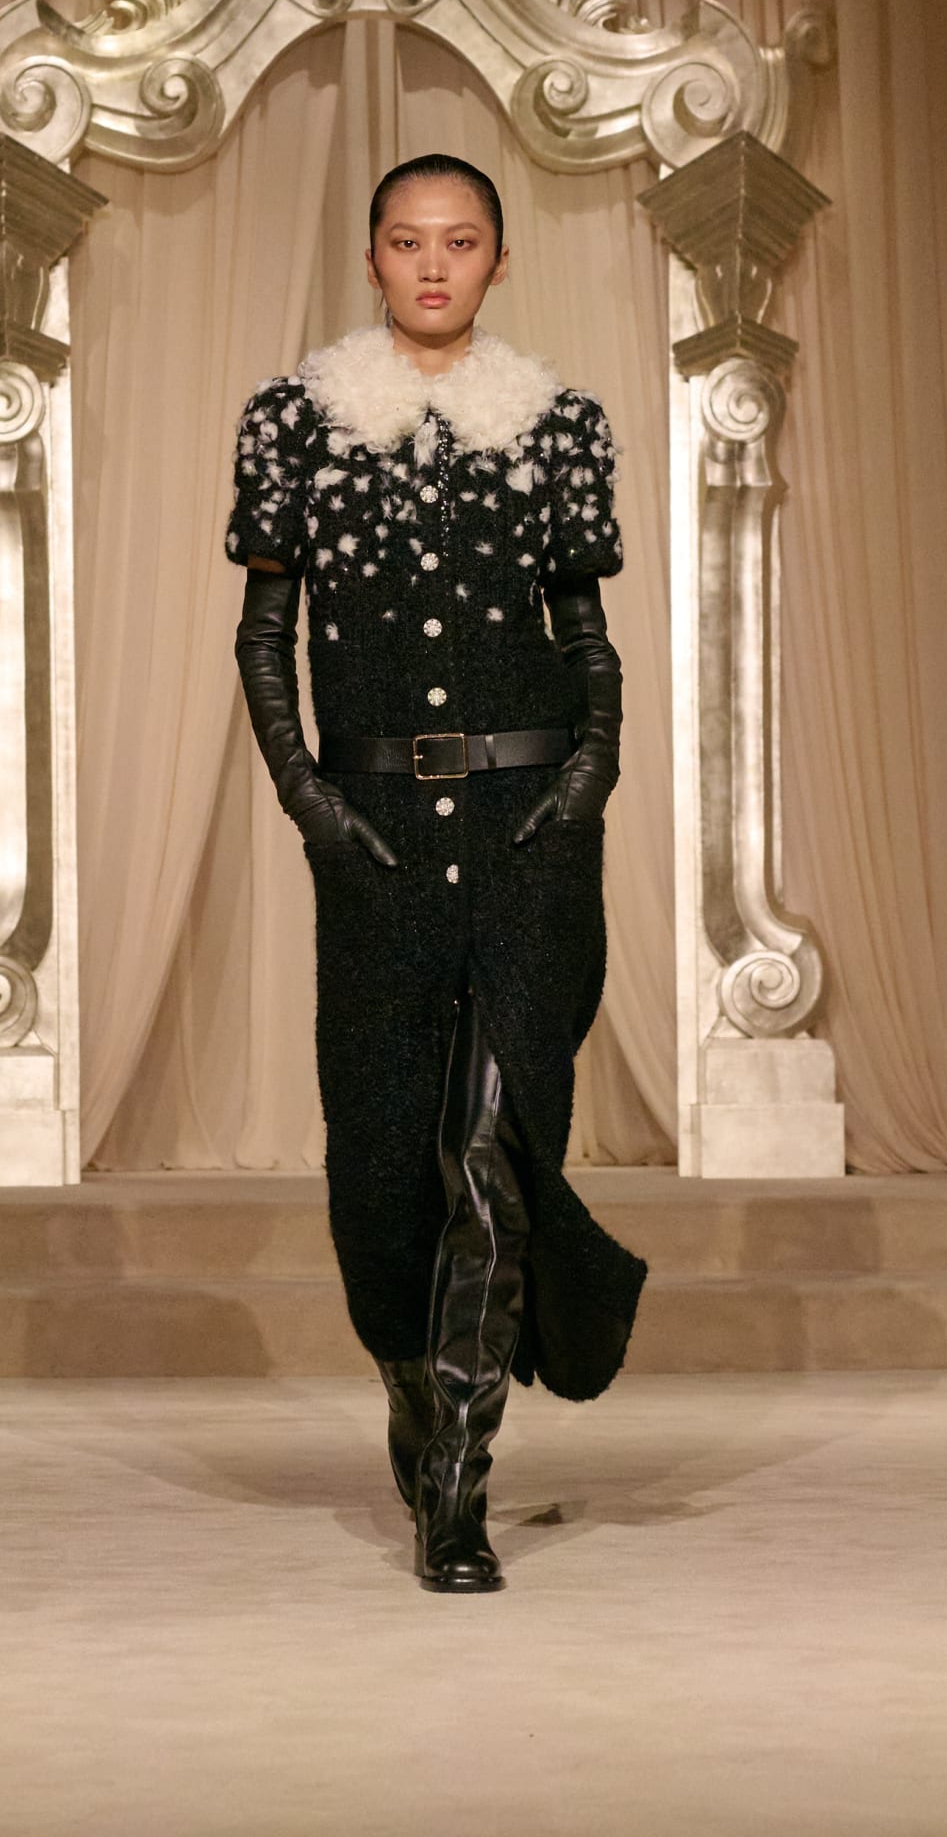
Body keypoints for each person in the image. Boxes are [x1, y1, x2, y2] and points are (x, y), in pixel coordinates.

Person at [225, 152, 647, 1593]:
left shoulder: (558, 423)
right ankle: (414, 1384)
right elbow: (265, 633)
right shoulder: (297, 421)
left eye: (460, 242)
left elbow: (585, 633)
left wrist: (589, 775)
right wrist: (308, 797)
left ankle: (457, 1492)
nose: (432, 266)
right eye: (407, 242)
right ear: (372, 259)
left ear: (498, 261)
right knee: (386, 1152)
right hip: (380, 836)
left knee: (495, 1147)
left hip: (533, 828)